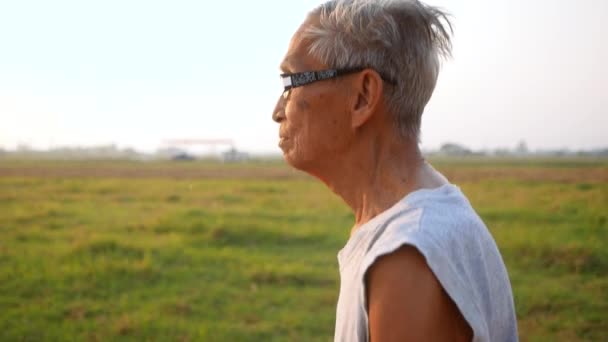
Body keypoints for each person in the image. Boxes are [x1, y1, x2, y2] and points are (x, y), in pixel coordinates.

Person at [272, 0, 518, 341]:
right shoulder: (424, 222)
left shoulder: (405, 257)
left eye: (292, 81)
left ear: (362, 96)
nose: (277, 111)